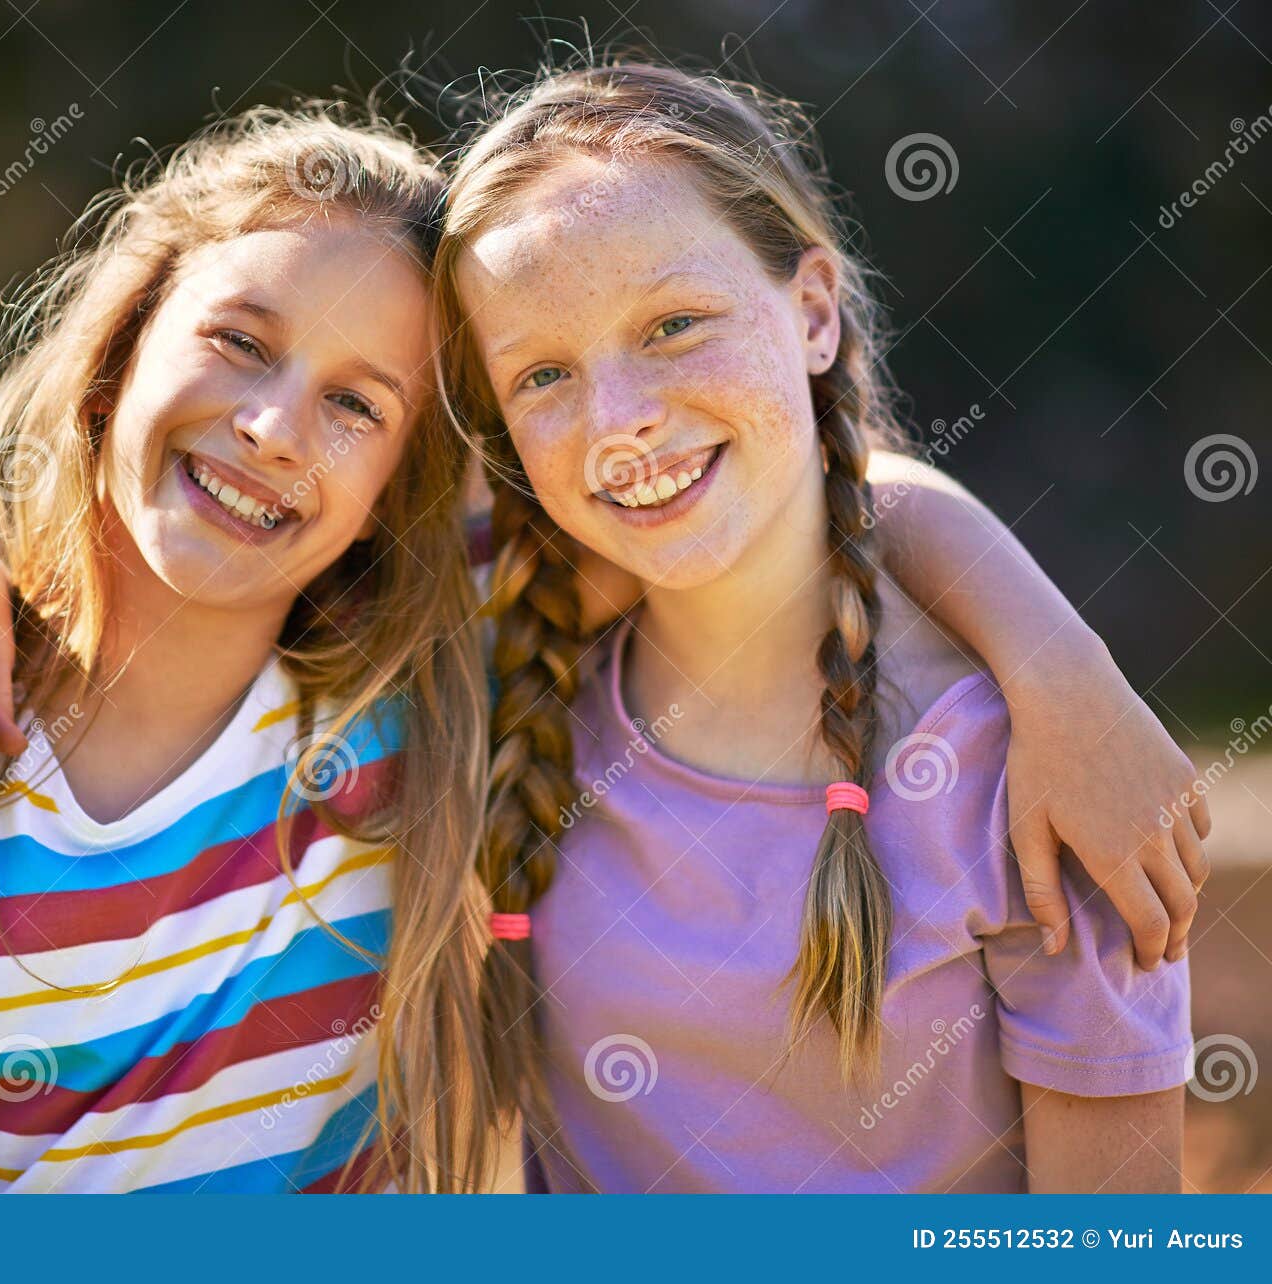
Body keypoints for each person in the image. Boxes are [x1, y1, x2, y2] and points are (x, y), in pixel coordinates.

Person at [440, 61, 1198, 1192]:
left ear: (809, 313)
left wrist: (1063, 673)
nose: (619, 421)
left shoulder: (1035, 779)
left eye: (674, 323)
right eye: (543, 372)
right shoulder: (511, 723)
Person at [0, 108, 497, 1193]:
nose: (274, 428)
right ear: (121, 349)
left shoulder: (424, 752)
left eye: (356, 404)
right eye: (240, 342)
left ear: (389, 495)